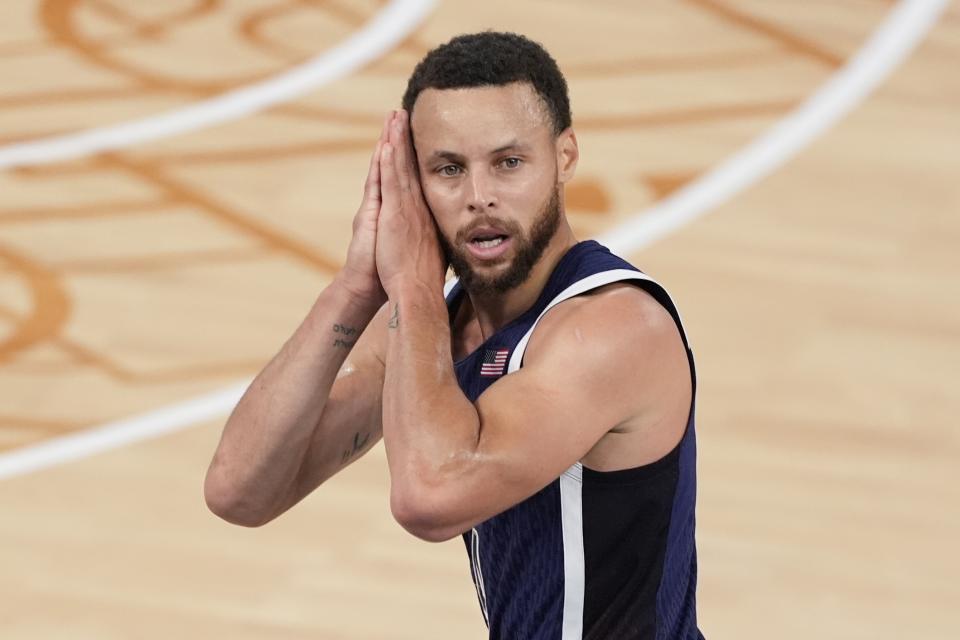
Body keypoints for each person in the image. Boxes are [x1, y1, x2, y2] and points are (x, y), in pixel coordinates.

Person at [204, 31, 704, 640]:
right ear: (411, 187)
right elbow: (240, 491)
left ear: (565, 156)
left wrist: (410, 286)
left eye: (509, 162)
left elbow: (429, 499)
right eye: (448, 170)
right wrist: (355, 288)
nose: (480, 198)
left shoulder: (612, 326)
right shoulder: (438, 327)